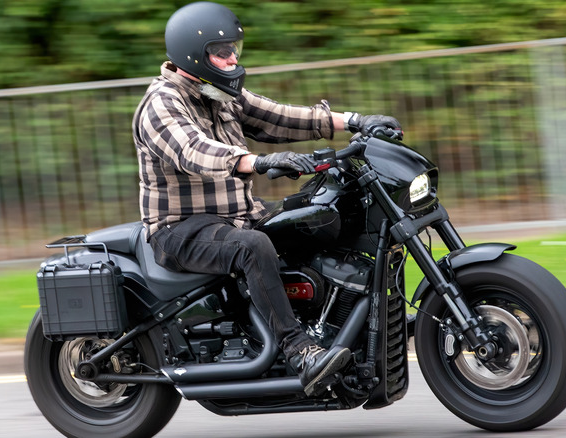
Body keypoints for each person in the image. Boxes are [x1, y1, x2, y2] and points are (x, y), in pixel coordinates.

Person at [132, 1, 401, 397]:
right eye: (222, 52)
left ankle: (343, 325)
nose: (232, 58)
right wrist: (258, 160)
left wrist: (356, 121)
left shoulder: (216, 90)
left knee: (322, 215)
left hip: (237, 215)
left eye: (234, 49)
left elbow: (279, 117)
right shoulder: (162, 102)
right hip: (181, 230)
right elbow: (194, 151)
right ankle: (300, 351)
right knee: (253, 246)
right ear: (194, 53)